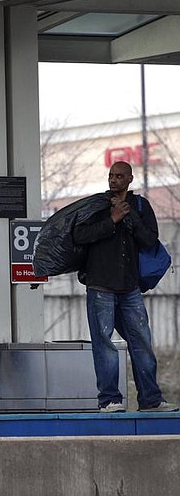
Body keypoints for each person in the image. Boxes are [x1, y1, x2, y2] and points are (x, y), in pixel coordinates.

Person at [73, 161, 178, 413]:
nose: (113, 180)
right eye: (111, 175)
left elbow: (150, 240)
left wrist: (129, 217)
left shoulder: (140, 206)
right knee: (105, 343)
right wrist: (112, 219)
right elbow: (80, 235)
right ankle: (109, 399)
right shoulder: (96, 206)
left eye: (119, 176)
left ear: (130, 179)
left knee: (141, 340)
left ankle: (151, 400)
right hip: (100, 285)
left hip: (130, 287)